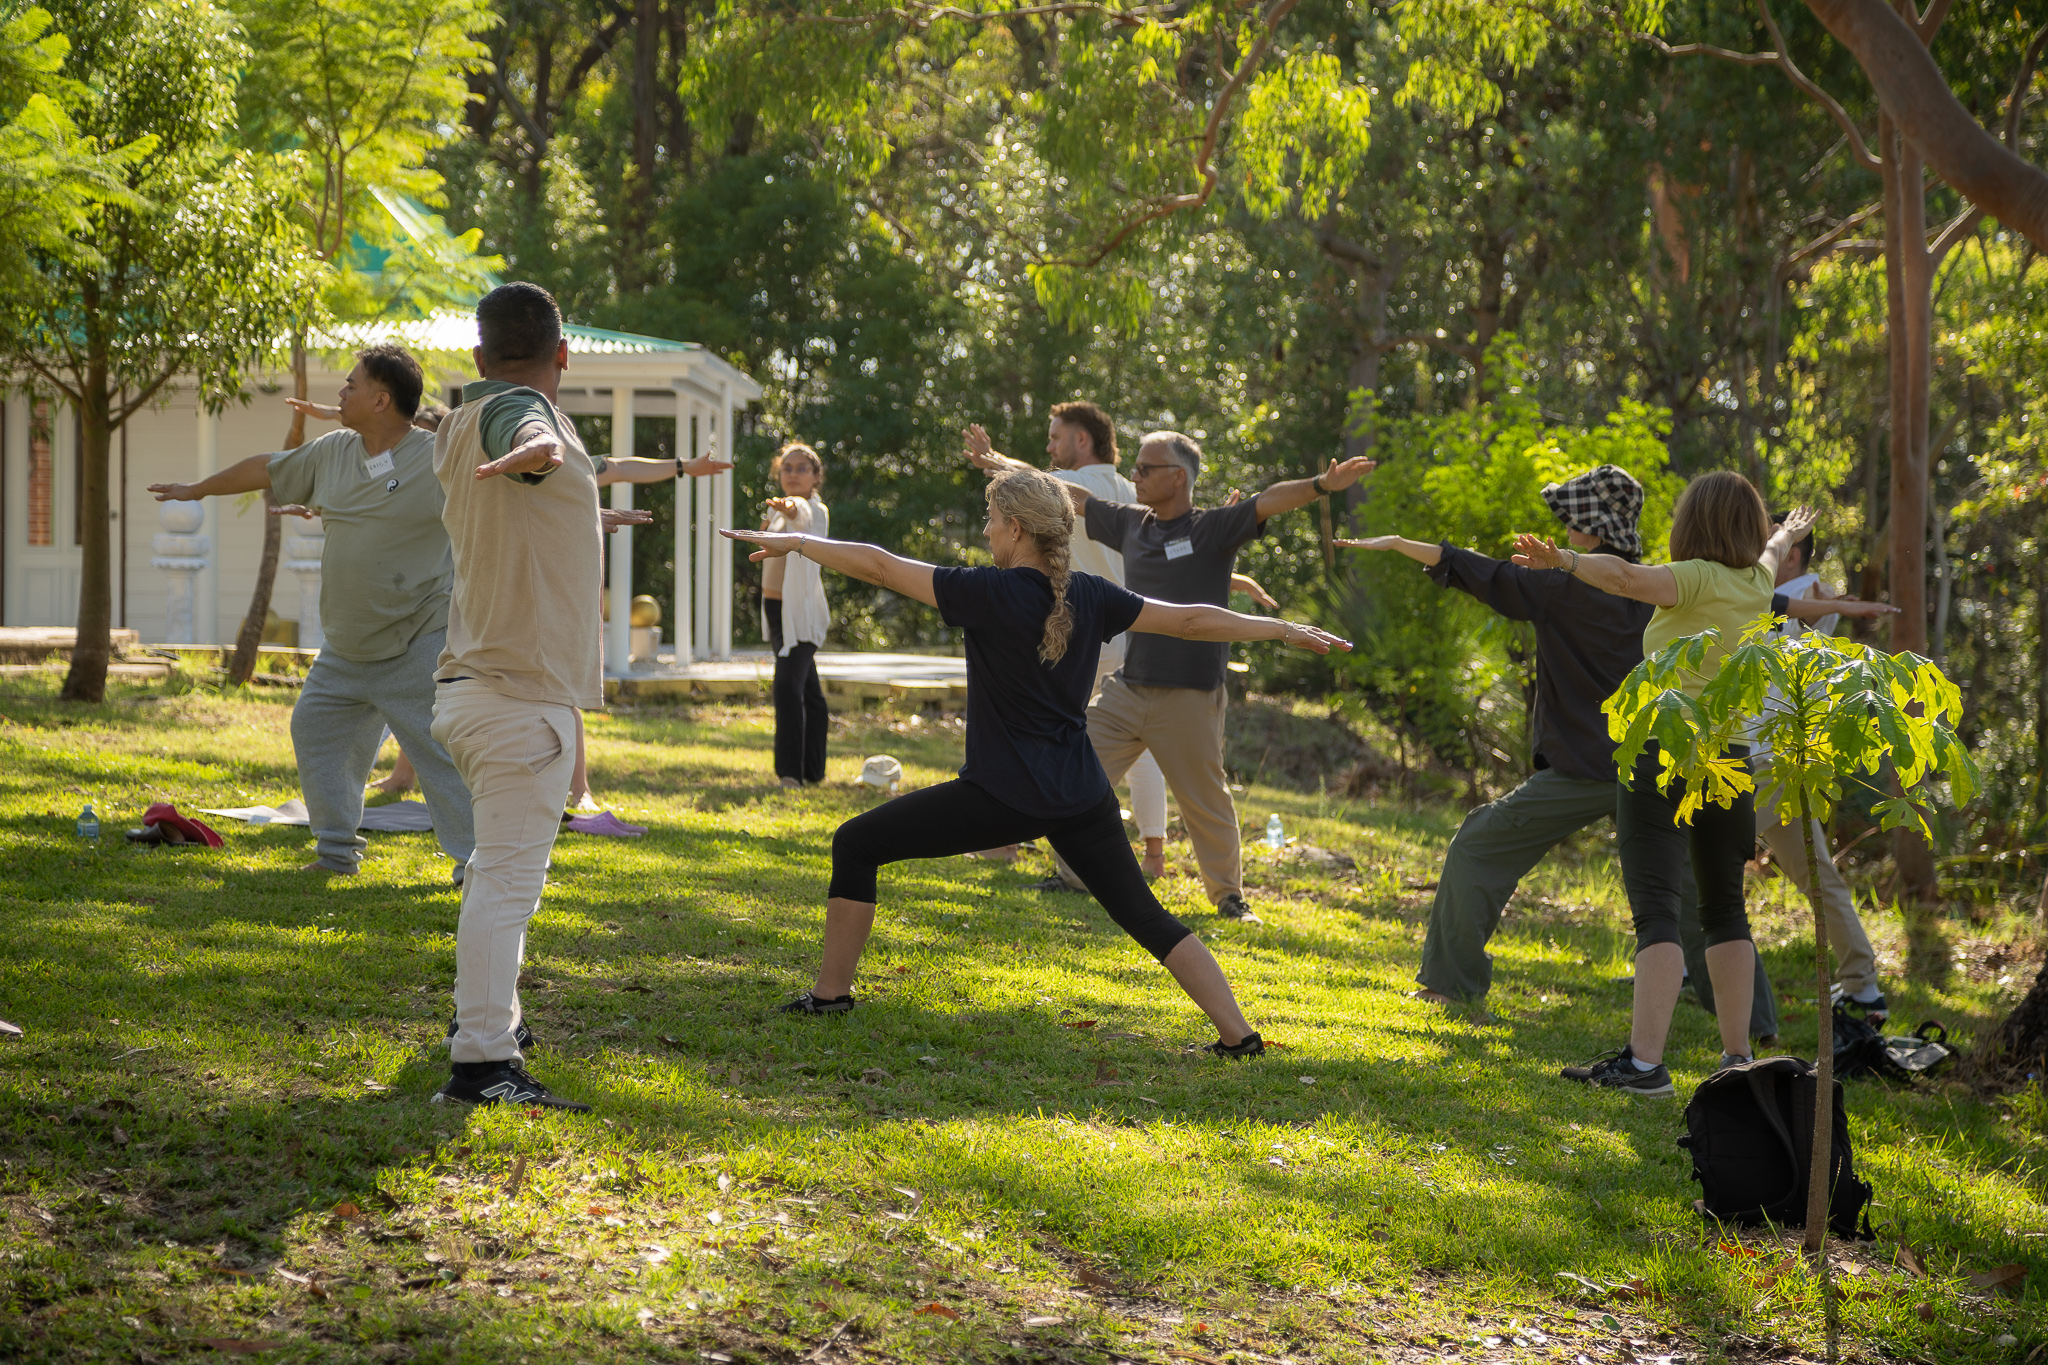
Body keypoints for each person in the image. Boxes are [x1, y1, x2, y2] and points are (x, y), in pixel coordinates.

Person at [721, 466, 1352, 1055]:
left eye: (992, 520)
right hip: (1079, 791)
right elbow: (1188, 621)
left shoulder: (986, 592)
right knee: (1143, 914)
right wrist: (1278, 629)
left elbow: (883, 568)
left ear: (1016, 528)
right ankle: (1240, 1036)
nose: (988, 531)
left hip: (1001, 796)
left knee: (856, 844)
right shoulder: (1092, 594)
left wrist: (800, 544)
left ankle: (830, 996)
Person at [1337, 464, 1776, 1035]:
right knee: (1704, 897)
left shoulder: (1570, 586)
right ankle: (1756, 1026)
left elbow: (1477, 570)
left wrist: (1399, 544)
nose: (1564, 534)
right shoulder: (1673, 583)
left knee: (1479, 843)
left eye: (1569, 525)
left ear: (1589, 532)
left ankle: (1449, 985)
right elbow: (1770, 601)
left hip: (1592, 769)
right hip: (1671, 765)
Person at [1512, 475, 1895, 1096]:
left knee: (1658, 912)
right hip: (1731, 760)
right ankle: (1738, 1059)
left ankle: (1644, 1065)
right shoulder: (1755, 583)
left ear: (1690, 524)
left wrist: (1566, 559)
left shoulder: (1692, 576)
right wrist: (1785, 534)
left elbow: (1629, 580)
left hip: (1662, 755)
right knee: (1725, 909)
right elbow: (1770, 555)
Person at [429, 281, 651, 1112]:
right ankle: (483, 1062)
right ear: (564, 353)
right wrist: (539, 449)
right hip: (517, 699)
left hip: (477, 688)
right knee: (506, 885)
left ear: (479, 356)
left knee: (497, 873)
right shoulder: (524, 414)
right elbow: (525, 431)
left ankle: (497, 1027)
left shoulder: (454, 422)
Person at [147, 346, 476, 881]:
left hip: (418, 632)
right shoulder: (335, 451)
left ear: (381, 399)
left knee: (438, 754)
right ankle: (336, 856)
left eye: (351, 386)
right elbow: (268, 468)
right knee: (317, 730)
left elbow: (504, 498)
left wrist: (583, 516)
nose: (340, 395)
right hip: (347, 645)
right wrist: (198, 489)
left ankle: (474, 863)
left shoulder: (437, 454)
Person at [1056, 430, 1377, 920]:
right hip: (1128, 686)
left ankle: (1229, 896)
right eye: (1136, 467)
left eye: (1146, 468)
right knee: (1074, 773)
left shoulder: (1212, 529)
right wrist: (1014, 473)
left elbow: (1267, 502)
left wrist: (1321, 484)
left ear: (1178, 477)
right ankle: (1070, 876)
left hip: (1189, 697)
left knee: (1205, 801)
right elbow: (1078, 497)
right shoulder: (1130, 524)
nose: (1135, 476)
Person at [963, 404, 1170, 881]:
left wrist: (996, 460)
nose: (1051, 447)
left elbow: (1038, 481)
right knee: (1140, 744)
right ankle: (1154, 852)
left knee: (1036, 728)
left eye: (1057, 437)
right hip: (1120, 632)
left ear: (1084, 441)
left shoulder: (1094, 487)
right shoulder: (1129, 491)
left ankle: (1006, 837)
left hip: (1078, 634)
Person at [1744, 514, 1889, 1022]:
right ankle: (1863, 986)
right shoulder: (1809, 596)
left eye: (1770, 543)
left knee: (1692, 863)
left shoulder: (1802, 595)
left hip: (1764, 763)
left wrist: (1831, 601)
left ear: (1790, 553)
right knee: (1819, 877)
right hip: (1780, 761)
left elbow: (1788, 611)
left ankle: (1684, 963)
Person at [761, 442, 831, 786]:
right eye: (787, 468)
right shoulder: (776, 511)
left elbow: (799, 515)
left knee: (788, 685)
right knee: (810, 694)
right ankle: (812, 771)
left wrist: (788, 512)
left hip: (799, 612)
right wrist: (776, 518)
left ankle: (790, 773)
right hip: (776, 608)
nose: (793, 474)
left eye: (802, 468)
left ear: (816, 476)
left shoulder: (812, 508)